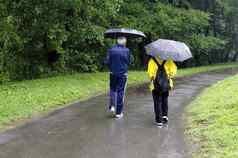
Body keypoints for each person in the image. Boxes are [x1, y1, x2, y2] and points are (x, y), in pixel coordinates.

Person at [105, 37, 132, 119]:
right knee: (121, 91)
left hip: (112, 73)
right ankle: (118, 113)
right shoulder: (127, 50)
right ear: (124, 42)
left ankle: (112, 105)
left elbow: (106, 61)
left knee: (112, 89)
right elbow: (130, 61)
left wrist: (111, 67)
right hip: (123, 74)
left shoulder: (111, 50)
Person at [147, 56, 177, 127]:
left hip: (155, 85)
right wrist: (169, 75)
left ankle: (159, 120)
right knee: (165, 100)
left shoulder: (152, 60)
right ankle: (165, 116)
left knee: (157, 102)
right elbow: (173, 71)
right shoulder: (169, 60)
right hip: (166, 84)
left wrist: (152, 77)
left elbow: (150, 73)